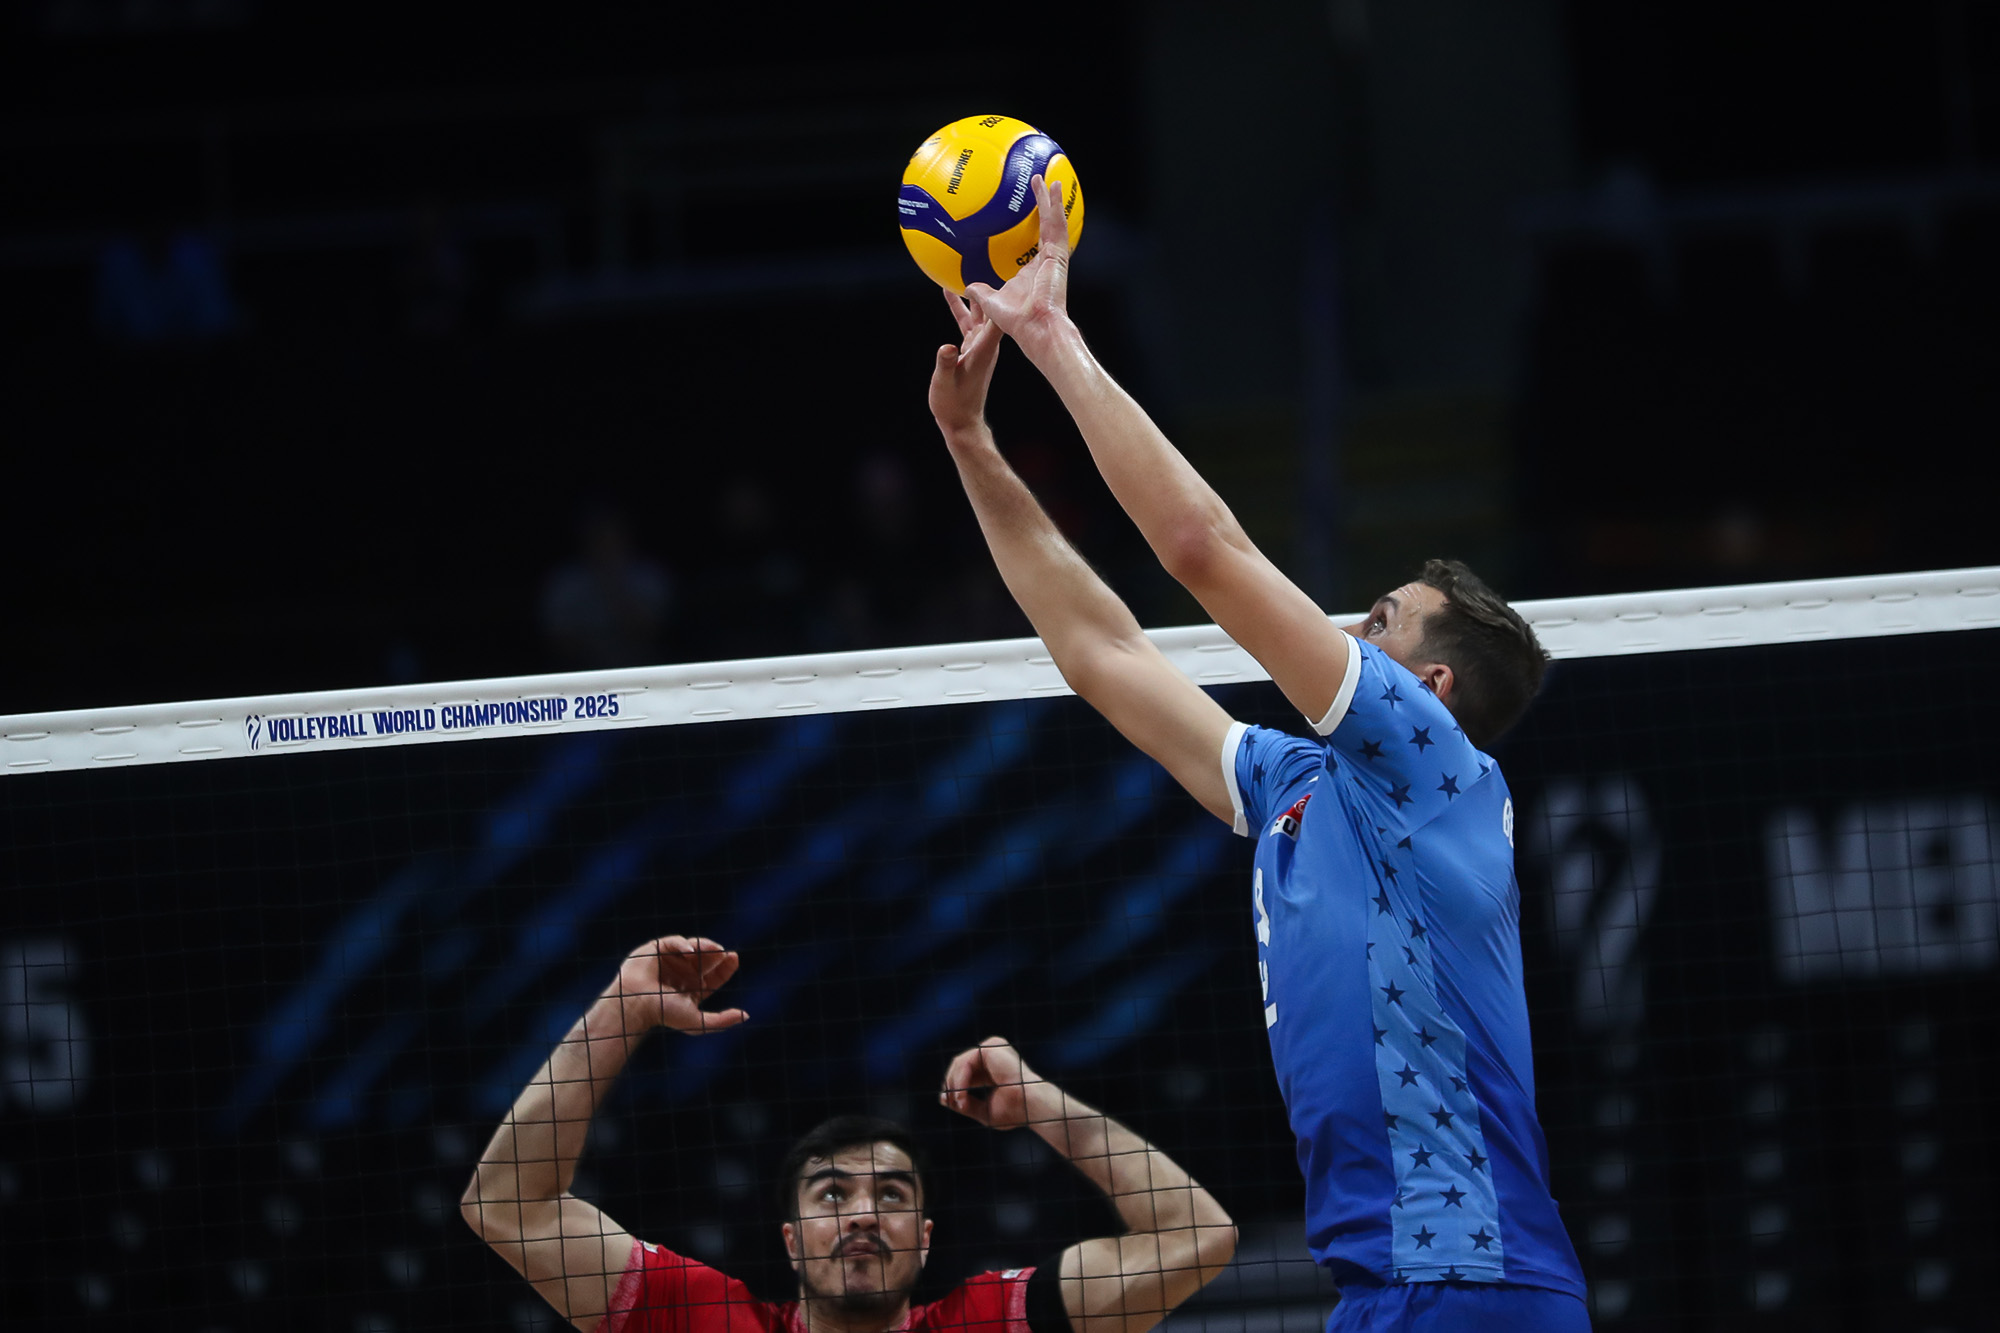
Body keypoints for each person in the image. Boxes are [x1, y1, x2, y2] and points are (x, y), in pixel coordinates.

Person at [925, 179, 1587, 1331]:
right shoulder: (1297, 783)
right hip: (1386, 1281)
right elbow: (1099, 652)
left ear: (1428, 691)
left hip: (1467, 1276)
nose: (1348, 628)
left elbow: (1198, 546)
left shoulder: (1435, 767)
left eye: (1379, 620)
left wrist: (1051, 337)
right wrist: (969, 441)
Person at [461, 934, 1239, 1333]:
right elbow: (507, 1205)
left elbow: (1198, 1237)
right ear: (792, 1240)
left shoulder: (991, 1320)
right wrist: (618, 1013)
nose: (864, 1212)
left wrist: (1042, 1103)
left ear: (925, 1239)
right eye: (832, 1193)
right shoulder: (707, 1319)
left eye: (891, 1194)